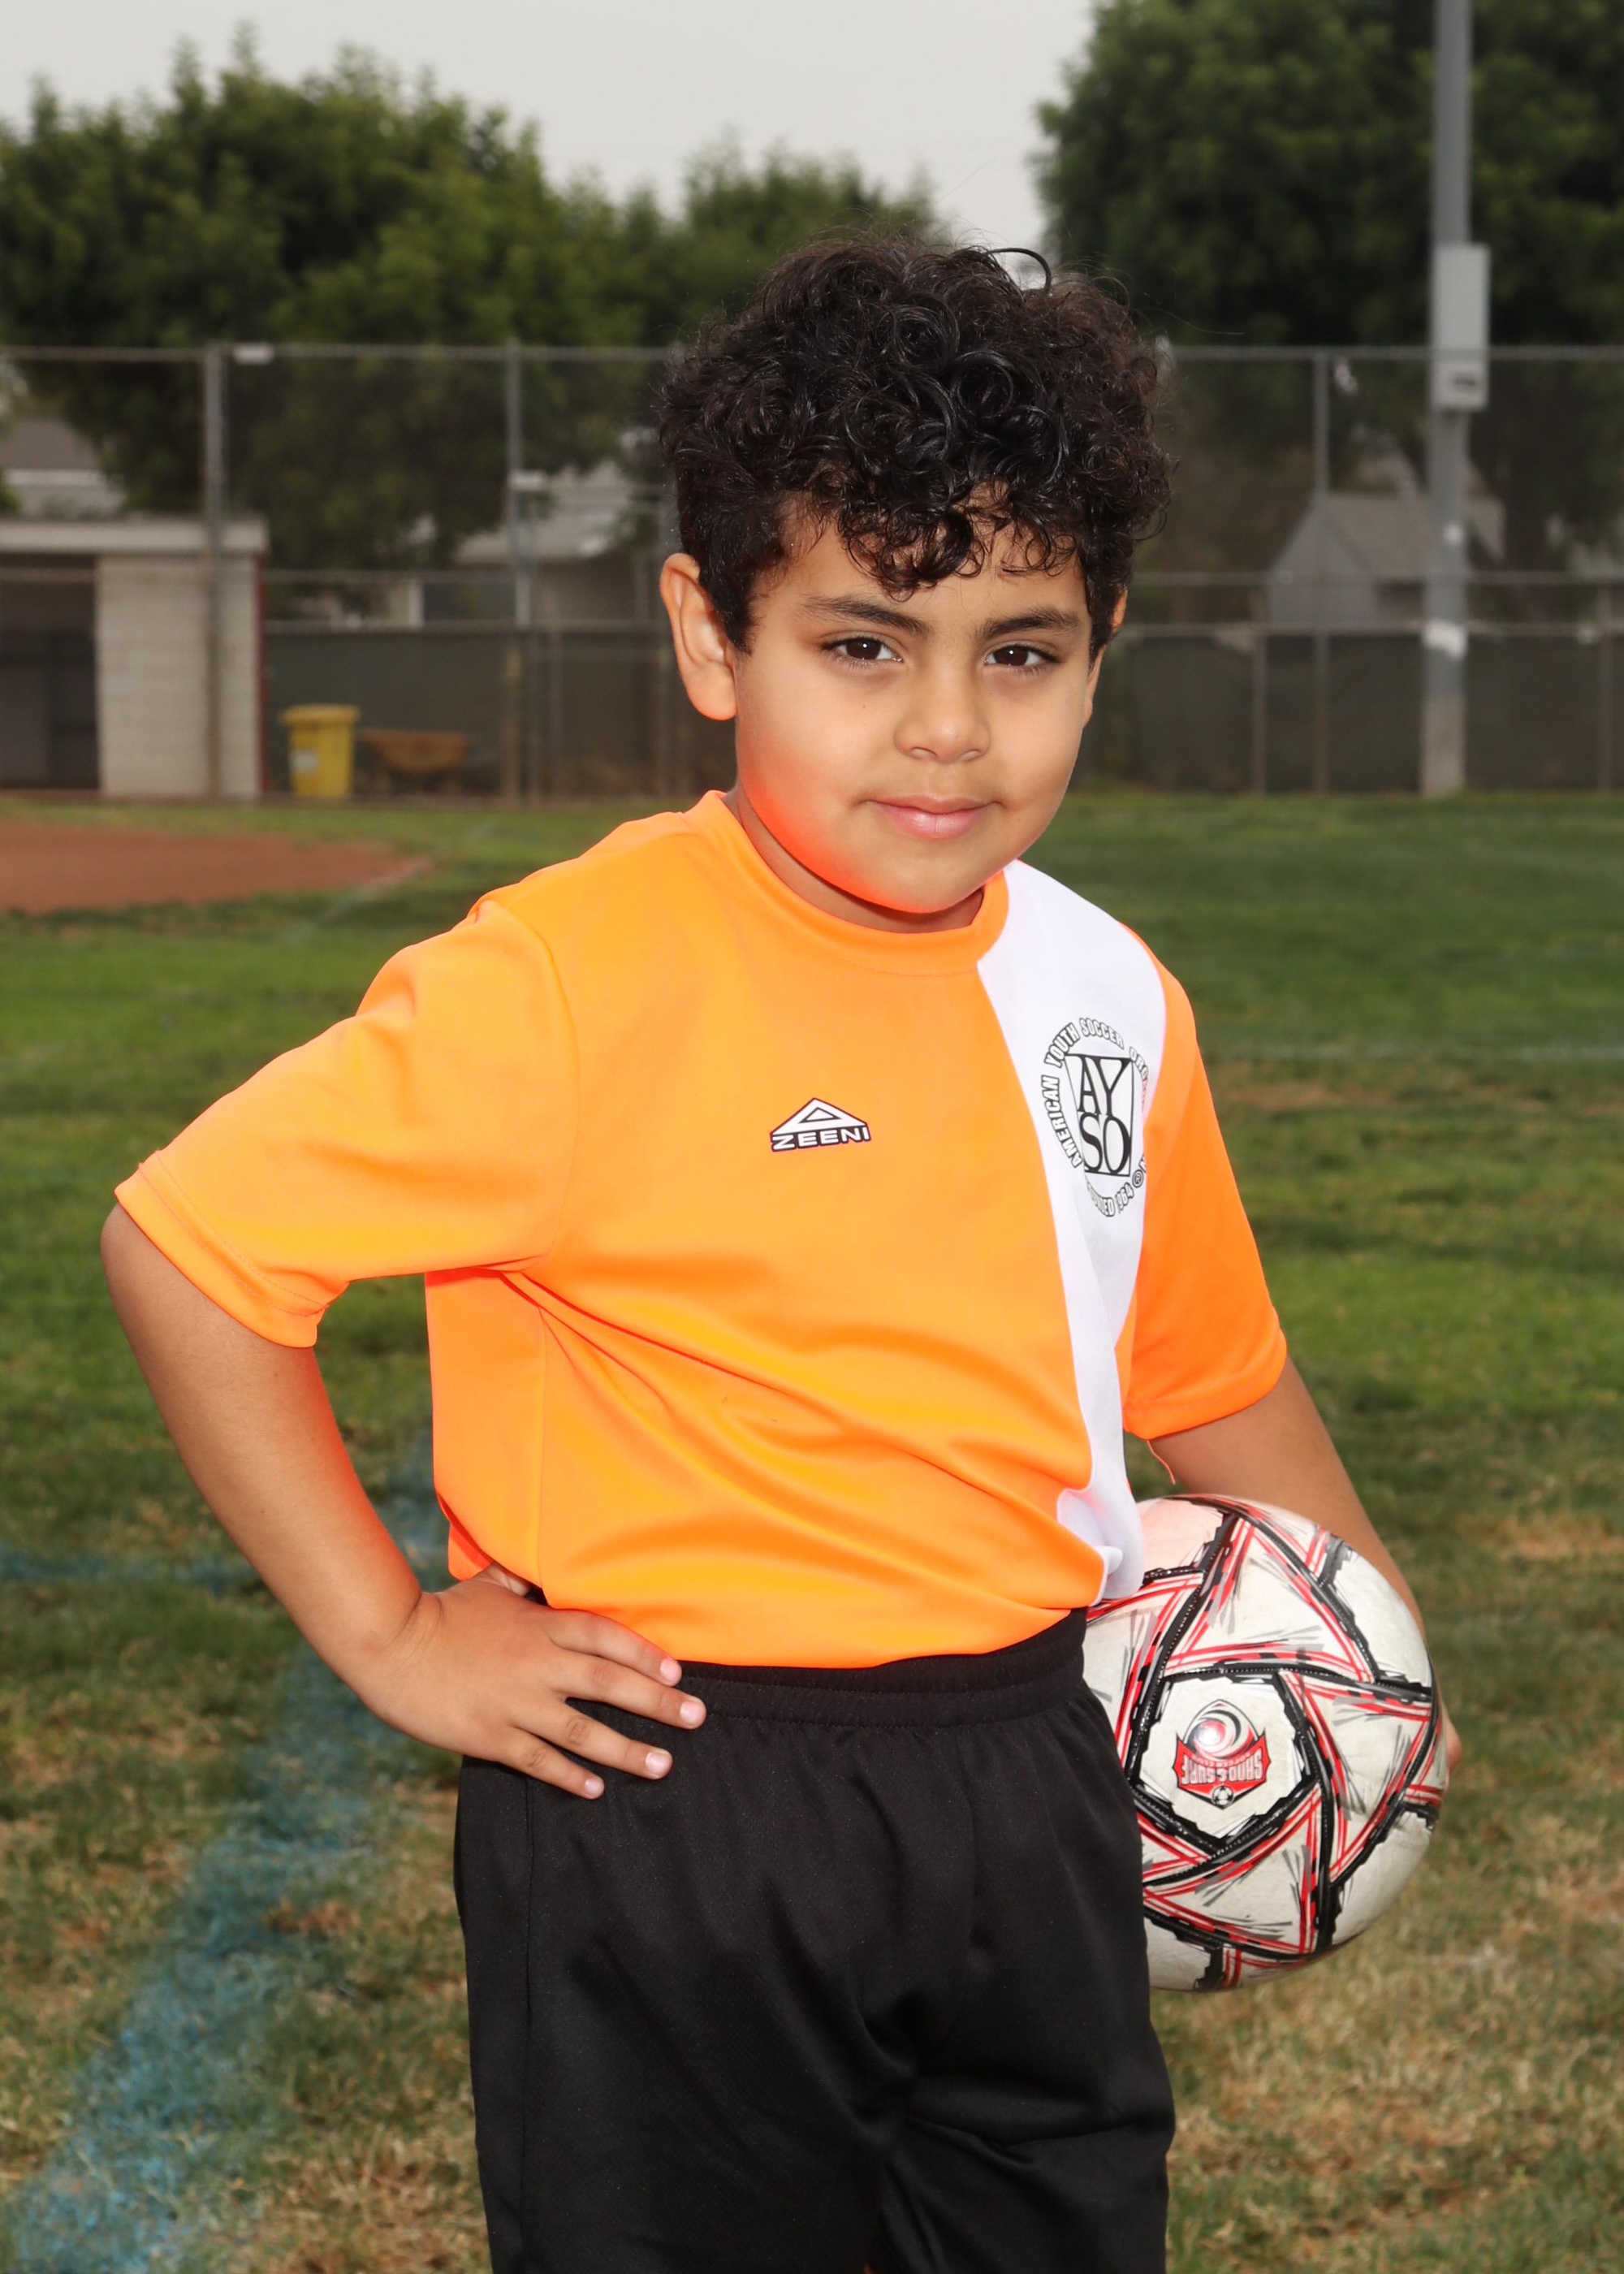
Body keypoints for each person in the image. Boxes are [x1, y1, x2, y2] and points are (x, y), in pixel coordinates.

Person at [102, 242, 1457, 2274]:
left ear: (1101, 651)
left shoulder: (1104, 993)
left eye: (1020, 650)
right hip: (670, 1795)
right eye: (864, 644)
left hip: (1032, 1756)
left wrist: (1370, 1666)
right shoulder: (570, 980)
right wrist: (389, 1632)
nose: (946, 728)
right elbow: (191, 1248)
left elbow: (1205, 1374)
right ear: (712, 638)